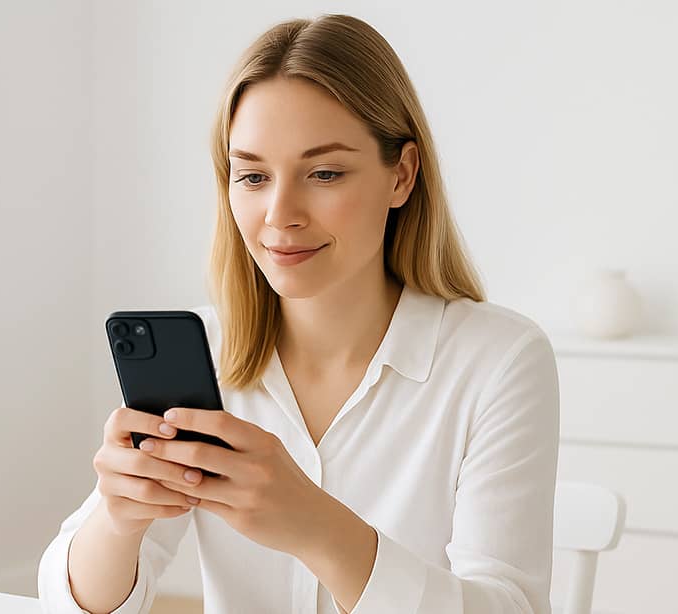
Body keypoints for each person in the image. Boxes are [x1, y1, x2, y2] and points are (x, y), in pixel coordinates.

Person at [38, 13, 559, 614]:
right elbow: (66, 602)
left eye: (324, 173)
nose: (279, 214)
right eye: (253, 176)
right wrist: (119, 517)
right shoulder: (204, 351)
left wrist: (316, 527)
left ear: (403, 175)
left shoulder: (498, 361)